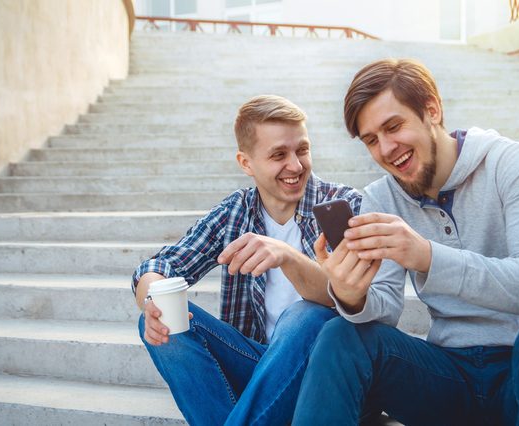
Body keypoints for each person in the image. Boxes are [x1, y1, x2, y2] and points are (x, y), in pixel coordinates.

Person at [292, 59, 519, 426]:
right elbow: (385, 308)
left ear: (432, 110)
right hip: (451, 375)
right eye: (371, 140)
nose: (387, 148)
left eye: (394, 126)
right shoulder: (381, 198)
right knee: (341, 334)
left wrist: (427, 256)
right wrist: (350, 293)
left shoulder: (513, 163)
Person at [132, 95, 361, 426]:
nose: (296, 166)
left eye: (303, 150)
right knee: (162, 320)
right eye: (279, 155)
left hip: (327, 377)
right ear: (246, 163)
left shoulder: (342, 207)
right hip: (258, 370)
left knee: (308, 314)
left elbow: (347, 296)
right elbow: (160, 267)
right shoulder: (235, 213)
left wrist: (287, 257)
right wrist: (152, 300)